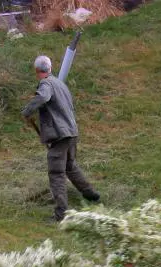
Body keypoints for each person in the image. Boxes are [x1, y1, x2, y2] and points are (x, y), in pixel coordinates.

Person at [21, 55, 100, 222]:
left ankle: (61, 214)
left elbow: (43, 97)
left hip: (60, 135)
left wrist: (28, 111)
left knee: (57, 172)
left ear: (37, 71)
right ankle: (91, 194)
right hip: (71, 131)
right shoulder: (60, 84)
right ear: (50, 68)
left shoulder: (46, 84)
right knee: (70, 166)